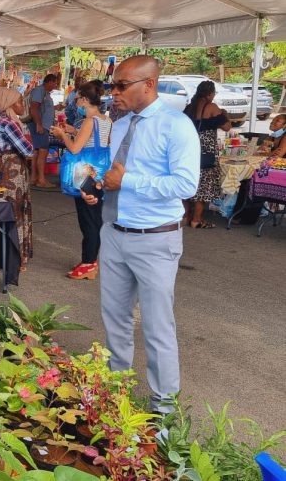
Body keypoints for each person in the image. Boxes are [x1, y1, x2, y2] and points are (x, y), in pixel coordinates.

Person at [81, 55, 199, 413]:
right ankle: (115, 398)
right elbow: (115, 173)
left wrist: (127, 181)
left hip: (155, 238)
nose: (113, 92)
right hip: (114, 232)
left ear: (149, 84)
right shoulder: (120, 124)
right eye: (112, 85)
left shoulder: (175, 126)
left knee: (157, 328)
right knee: (115, 320)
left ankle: (163, 413)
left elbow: (186, 184)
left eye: (121, 85)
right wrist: (100, 188)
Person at [50, 81, 112, 280]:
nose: (76, 103)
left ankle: (89, 263)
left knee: (88, 220)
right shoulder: (106, 120)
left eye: (77, 99)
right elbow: (95, 142)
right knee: (95, 217)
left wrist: (62, 135)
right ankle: (91, 260)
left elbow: (75, 149)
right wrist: (73, 131)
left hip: (85, 173)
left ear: (85, 100)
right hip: (99, 173)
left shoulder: (89, 121)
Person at [0, 87, 34, 271]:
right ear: (9, 104)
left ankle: (3, 254)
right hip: (12, 172)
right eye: (19, 101)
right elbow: (28, 150)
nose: (23, 105)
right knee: (14, 211)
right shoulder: (10, 124)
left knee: (4, 210)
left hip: (2, 169)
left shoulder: (3, 121)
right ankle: (14, 257)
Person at [182, 81, 231, 229]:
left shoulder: (189, 108)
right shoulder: (211, 107)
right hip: (206, 151)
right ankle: (197, 219)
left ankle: (185, 216)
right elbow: (227, 127)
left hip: (188, 149)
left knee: (187, 181)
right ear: (210, 94)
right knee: (203, 185)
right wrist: (224, 114)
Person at [27, 74, 59, 187]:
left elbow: (41, 107)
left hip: (42, 125)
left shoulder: (45, 93)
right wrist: (39, 124)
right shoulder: (39, 90)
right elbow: (34, 108)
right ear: (49, 82)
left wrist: (55, 108)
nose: (55, 85)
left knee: (37, 151)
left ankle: (34, 178)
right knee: (43, 151)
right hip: (40, 126)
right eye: (55, 83)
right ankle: (41, 180)